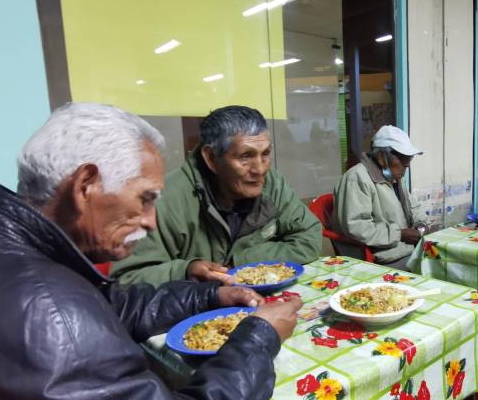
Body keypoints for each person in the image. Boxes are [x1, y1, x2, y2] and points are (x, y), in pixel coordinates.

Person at [0, 103, 303, 400]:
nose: (151, 221)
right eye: (144, 199)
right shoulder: (53, 314)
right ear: (85, 185)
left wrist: (208, 294)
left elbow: (106, 304)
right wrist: (259, 336)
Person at [111, 105, 321, 286]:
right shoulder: (167, 199)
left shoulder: (271, 184)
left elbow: (309, 238)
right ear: (211, 158)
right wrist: (186, 270)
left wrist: (239, 263)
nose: (260, 169)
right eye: (246, 156)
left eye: (265, 154)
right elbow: (127, 278)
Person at [331, 125, 429, 270]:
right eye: (402, 158)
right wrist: (399, 234)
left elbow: (413, 207)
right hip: (384, 257)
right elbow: (357, 227)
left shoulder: (393, 177)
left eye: (409, 158)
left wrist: (421, 225)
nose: (407, 164)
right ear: (382, 156)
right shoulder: (356, 178)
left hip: (408, 250)